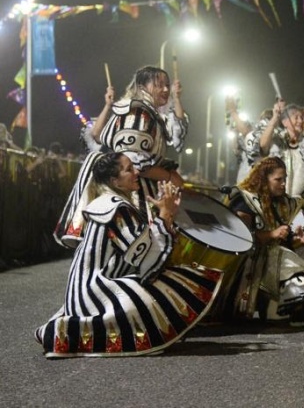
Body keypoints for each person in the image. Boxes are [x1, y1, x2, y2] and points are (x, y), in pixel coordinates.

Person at [35, 152, 223, 357]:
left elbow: (142, 247)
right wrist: (165, 215)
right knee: (176, 281)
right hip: (94, 293)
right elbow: (147, 265)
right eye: (129, 170)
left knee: (173, 280)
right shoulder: (115, 207)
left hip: (81, 293)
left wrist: (167, 216)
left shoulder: (107, 202)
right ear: (114, 181)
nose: (137, 172)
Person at [55, 66, 188, 249]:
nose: (165, 89)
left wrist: (177, 97)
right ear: (142, 87)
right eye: (159, 85)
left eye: (167, 85)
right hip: (127, 186)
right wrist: (170, 177)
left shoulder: (149, 112)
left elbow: (177, 133)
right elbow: (134, 163)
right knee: (133, 244)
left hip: (133, 184)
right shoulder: (138, 112)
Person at [224, 156, 304, 327]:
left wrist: (297, 239)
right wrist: (271, 235)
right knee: (295, 281)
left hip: (274, 260)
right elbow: (241, 236)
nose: (283, 183)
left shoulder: (285, 202)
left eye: (285, 179)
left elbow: (286, 237)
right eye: (278, 179)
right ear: (263, 179)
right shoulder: (245, 200)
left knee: (300, 287)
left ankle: (278, 308)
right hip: (248, 265)